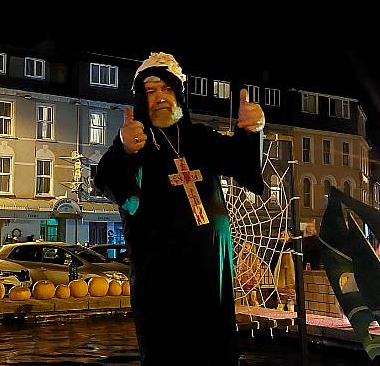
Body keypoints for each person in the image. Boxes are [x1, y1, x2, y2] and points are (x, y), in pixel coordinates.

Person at [95, 52, 265, 365]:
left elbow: (243, 164)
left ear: (179, 94)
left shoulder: (201, 138)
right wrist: (123, 149)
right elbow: (106, 180)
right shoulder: (138, 143)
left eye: (166, 89)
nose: (159, 97)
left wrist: (252, 130)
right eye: (150, 91)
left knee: (215, 349)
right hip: (162, 279)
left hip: (210, 272)